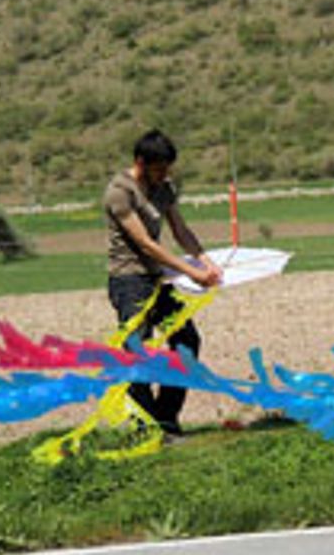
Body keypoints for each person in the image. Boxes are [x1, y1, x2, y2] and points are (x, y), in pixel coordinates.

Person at [104, 129, 222, 437]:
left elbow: (180, 230)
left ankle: (166, 417)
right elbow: (145, 243)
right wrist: (192, 272)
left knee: (187, 340)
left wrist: (205, 260)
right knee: (137, 351)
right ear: (140, 162)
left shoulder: (164, 187)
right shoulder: (120, 192)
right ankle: (146, 427)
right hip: (129, 280)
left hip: (159, 278)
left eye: (167, 169)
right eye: (158, 169)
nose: (164, 175)